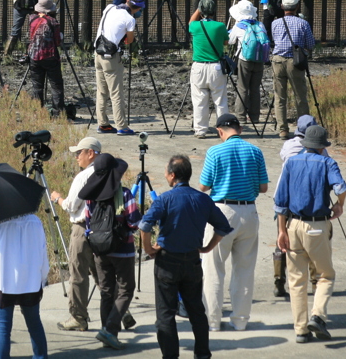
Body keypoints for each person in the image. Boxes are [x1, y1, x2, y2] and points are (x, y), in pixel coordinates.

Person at [140, 154, 232, 359]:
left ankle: (170, 355)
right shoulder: (203, 199)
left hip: (167, 261)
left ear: (172, 175)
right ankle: (202, 353)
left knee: (165, 313)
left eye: (166, 171)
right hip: (192, 260)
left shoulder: (165, 199)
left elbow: (145, 225)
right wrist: (207, 247)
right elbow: (223, 227)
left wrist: (149, 249)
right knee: (196, 310)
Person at [273, 125, 346, 343]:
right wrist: (339, 205)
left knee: (297, 281)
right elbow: (341, 188)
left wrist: (281, 231)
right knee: (325, 275)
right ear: (323, 146)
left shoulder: (291, 163)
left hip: (292, 225)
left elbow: (280, 202)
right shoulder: (327, 163)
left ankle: (300, 330)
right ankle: (318, 315)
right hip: (317, 225)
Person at [199, 113, 269, 332]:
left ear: (220, 131)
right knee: (244, 269)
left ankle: (212, 321)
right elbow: (263, 188)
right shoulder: (255, 151)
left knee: (213, 269)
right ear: (239, 129)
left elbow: (203, 186)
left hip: (221, 211)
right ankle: (240, 321)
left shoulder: (214, 151)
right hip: (248, 211)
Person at [79, 153, 141, 350]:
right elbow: (134, 222)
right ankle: (110, 330)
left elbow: (88, 223)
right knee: (126, 290)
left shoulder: (91, 198)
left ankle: (107, 331)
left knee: (106, 291)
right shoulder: (125, 194)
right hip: (123, 251)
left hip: (100, 251)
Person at [0, 212, 50, 359]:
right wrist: (43, 277)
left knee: (2, 328)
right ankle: (40, 356)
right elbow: (42, 251)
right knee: (34, 324)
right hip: (31, 281)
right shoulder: (35, 221)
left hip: (4, 281)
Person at [50, 137, 101, 332]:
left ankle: (78, 317)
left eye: (79, 152)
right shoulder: (108, 173)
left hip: (82, 228)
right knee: (102, 273)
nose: (76, 157)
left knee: (78, 274)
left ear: (91, 153)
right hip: (103, 229)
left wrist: (57, 198)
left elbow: (71, 206)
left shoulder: (84, 176)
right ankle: (121, 312)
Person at [272, 114, 324, 298]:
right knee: (312, 242)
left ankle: (279, 281)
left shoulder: (288, 145)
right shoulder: (320, 149)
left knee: (282, 240)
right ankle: (315, 283)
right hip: (308, 198)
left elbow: (283, 158)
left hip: (283, 196)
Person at [93, 0, 144, 135]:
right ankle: (122, 126)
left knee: (101, 91)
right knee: (116, 93)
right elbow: (130, 40)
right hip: (111, 57)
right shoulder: (130, 19)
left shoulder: (109, 7)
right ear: (139, 8)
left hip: (98, 53)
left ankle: (103, 124)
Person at [270, 0, 315, 140]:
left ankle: (283, 130)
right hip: (295, 61)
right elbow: (310, 44)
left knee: (279, 97)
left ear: (282, 6)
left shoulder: (275, 23)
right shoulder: (303, 23)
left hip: (277, 60)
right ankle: (303, 128)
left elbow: (274, 40)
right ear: (297, 6)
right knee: (300, 96)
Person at [188, 0, 229, 139]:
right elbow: (225, 42)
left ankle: (200, 130)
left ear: (200, 11)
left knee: (199, 100)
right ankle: (224, 130)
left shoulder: (195, 26)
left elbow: (190, 22)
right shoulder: (220, 26)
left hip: (199, 66)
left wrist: (198, 9)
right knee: (220, 100)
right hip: (216, 67)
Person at [226, 0, 268, 128]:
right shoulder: (260, 25)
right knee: (255, 89)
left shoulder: (239, 26)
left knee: (242, 88)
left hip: (244, 60)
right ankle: (255, 117)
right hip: (259, 60)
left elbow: (230, 41)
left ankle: (241, 116)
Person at [27, 0, 65, 117]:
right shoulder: (53, 22)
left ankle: (37, 113)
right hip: (50, 56)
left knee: (37, 86)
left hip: (34, 56)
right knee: (56, 85)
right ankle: (58, 114)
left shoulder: (32, 19)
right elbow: (57, 42)